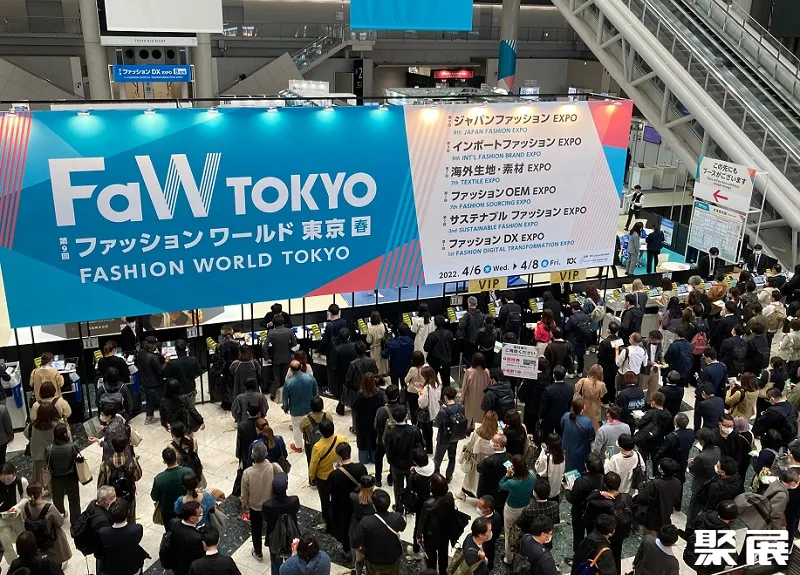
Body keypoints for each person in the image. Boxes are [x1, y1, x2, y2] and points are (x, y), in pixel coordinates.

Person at [583, 472, 632, 574]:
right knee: (616, 556)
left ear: (605, 485)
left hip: (606, 536)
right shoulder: (627, 497)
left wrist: (600, 493)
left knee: (602, 557)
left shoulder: (602, 503)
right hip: (620, 534)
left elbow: (588, 499)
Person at [352, 489, 407, 575]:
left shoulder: (366, 522)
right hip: (393, 558)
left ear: (373, 505)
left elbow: (355, 542)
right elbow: (402, 528)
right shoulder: (397, 518)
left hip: (373, 560)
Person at [329, 442, 368, 557]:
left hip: (342, 506)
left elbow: (331, 491)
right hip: (359, 503)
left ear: (339, 457)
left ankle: (346, 550)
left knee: (345, 527)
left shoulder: (335, 474)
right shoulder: (361, 468)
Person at [309, 418, 347, 532]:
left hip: (324, 478)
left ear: (320, 432)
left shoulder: (318, 447)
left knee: (325, 499)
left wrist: (312, 477)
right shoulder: (341, 439)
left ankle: (327, 520)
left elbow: (313, 465)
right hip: (338, 473)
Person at [565, 453, 606, 560]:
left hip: (580, 512)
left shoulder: (580, 482)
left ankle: (578, 557)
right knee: (592, 534)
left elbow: (571, 498)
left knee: (578, 535)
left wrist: (567, 489)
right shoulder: (603, 478)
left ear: (586, 466)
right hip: (595, 512)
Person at [20, 483, 72, 565]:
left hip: (36, 539)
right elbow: (59, 522)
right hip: (52, 539)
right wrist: (61, 516)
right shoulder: (49, 507)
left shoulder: (26, 507)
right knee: (56, 561)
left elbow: (24, 519)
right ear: (41, 492)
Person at [386, 403, 425, 507]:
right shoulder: (414, 430)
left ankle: (399, 507)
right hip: (412, 464)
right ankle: (409, 506)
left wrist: (391, 462)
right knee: (411, 487)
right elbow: (422, 445)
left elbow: (388, 451)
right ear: (406, 415)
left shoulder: (390, 433)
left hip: (396, 465)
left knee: (398, 488)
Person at [498, 454, 534, 565]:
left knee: (509, 532)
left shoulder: (511, 483)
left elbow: (501, 484)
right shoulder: (532, 476)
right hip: (526, 506)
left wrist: (507, 475)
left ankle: (508, 558)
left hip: (512, 509)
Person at [242, 442, 275, 561]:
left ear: (252, 456)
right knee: (272, 527)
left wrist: (244, 505)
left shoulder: (247, 473)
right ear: (266, 454)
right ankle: (274, 549)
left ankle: (258, 552)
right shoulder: (272, 467)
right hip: (270, 504)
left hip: (255, 506)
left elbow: (244, 493)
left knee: (256, 529)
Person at [418, 474, 457, 575]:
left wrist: (418, 536)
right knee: (443, 555)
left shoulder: (428, 503)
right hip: (445, 533)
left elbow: (422, 522)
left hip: (431, 536)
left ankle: (433, 572)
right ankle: (443, 572)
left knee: (431, 557)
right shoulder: (449, 496)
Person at [632, 458, 681, 536]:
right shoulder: (677, 482)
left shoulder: (655, 483)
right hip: (667, 512)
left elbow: (642, 498)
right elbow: (677, 499)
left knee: (649, 536)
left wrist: (641, 487)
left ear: (662, 470)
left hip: (653, 514)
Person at [98, 435, 142, 522]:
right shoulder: (132, 461)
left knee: (113, 519)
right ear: (125, 446)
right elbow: (138, 476)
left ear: (112, 446)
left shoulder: (105, 464)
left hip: (112, 498)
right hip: (129, 494)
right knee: (131, 517)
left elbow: (101, 484)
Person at [654, 413, 695, 505]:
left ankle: (668, 502)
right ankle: (678, 504)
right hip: (683, 461)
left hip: (672, 462)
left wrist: (656, 458)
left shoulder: (671, 436)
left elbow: (663, 451)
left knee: (668, 482)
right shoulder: (691, 433)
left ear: (675, 422)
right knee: (680, 482)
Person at [98, 498, 147, 575]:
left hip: (112, 570)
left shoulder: (104, 533)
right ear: (128, 512)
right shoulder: (136, 529)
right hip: (132, 569)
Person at [264, 473, 301, 575]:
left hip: (274, 538)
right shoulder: (294, 501)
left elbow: (266, 518)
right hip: (291, 534)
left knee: (276, 563)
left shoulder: (268, 505)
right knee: (292, 560)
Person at [45, 422, 80, 524]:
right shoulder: (72, 447)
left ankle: (60, 515)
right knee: (74, 499)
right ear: (65, 434)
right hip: (71, 476)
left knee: (57, 499)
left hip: (56, 478)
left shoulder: (49, 449)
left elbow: (47, 462)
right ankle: (75, 520)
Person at [457, 410, 497, 499]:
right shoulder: (496, 435)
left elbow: (470, 445)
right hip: (489, 462)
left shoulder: (477, 432)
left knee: (470, 478)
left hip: (476, 460)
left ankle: (463, 493)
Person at [687, 428, 722, 523]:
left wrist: (691, 463)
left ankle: (690, 526)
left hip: (700, 486)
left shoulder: (701, 457)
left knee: (693, 509)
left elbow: (692, 469)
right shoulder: (717, 449)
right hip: (712, 483)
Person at [283, 360, 319, 453]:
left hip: (296, 410)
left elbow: (285, 399)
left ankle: (298, 446)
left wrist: (285, 408)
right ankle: (313, 443)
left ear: (291, 370)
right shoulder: (310, 378)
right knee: (311, 427)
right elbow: (316, 393)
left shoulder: (288, 382)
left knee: (296, 428)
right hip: (310, 408)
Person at [151, 448, 191, 530]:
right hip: (187, 508)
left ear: (164, 461)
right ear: (176, 456)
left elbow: (154, 497)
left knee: (171, 533)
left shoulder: (159, 479)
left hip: (168, 512)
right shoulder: (188, 471)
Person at [352, 373, 386, 465]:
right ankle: (373, 458)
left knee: (363, 443)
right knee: (374, 442)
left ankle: (364, 460)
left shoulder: (359, 395)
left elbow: (355, 408)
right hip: (375, 424)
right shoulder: (379, 394)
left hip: (362, 425)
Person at [24, 401, 58, 489]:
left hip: (38, 457)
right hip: (54, 456)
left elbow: (26, 434)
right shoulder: (57, 425)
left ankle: (42, 491)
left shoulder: (32, 426)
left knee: (39, 480)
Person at [166, 502, 206, 575]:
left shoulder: (173, 522)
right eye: (200, 514)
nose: (202, 514)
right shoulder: (196, 538)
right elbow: (200, 558)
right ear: (191, 518)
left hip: (176, 562)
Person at [344, 340, 378, 422]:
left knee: (356, 411)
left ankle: (355, 427)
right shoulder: (372, 361)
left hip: (357, 390)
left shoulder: (353, 364)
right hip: (370, 388)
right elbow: (376, 372)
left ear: (355, 351)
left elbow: (348, 379)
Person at [136, 336, 166, 424]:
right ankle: (165, 418)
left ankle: (149, 418)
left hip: (145, 382)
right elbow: (161, 371)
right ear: (151, 345)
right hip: (156, 383)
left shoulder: (140, 354)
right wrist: (167, 361)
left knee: (149, 401)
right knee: (162, 401)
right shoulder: (153, 357)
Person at [266, 315, 298, 398]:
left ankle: (277, 396)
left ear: (273, 323)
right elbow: (295, 344)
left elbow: (264, 347)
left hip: (276, 358)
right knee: (286, 377)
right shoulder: (289, 331)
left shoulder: (271, 333)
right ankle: (287, 395)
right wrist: (288, 346)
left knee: (276, 377)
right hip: (287, 357)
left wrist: (266, 358)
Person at [320, 304, 347, 395]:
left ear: (330, 313)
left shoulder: (330, 325)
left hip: (332, 351)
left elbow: (325, 340)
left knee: (331, 371)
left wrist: (319, 350)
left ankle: (331, 389)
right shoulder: (344, 322)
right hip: (342, 348)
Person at [562, 398, 595, 473]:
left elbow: (562, 425)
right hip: (580, 451)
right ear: (582, 409)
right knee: (579, 470)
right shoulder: (587, 421)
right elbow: (592, 436)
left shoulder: (566, 416)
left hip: (566, 447)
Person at [539, 365, 574, 438]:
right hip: (563, 417)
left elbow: (543, 406)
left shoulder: (548, 390)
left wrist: (541, 417)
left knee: (547, 437)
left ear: (553, 375)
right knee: (561, 436)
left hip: (549, 418)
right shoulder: (570, 388)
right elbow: (570, 403)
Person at [163, 339, 201, 404]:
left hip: (177, 392)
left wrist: (166, 362)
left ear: (175, 349)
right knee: (191, 407)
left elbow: (165, 374)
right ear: (186, 348)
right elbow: (199, 372)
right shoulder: (193, 360)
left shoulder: (172, 364)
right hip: (190, 388)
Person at [476, 434, 510, 501]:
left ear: (497, 446)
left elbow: (479, 468)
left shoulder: (489, 461)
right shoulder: (508, 457)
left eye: (493, 440)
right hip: (498, 490)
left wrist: (484, 460)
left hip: (486, 488)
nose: (491, 441)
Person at [461, 352, 491, 428]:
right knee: (479, 415)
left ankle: (468, 428)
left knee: (469, 414)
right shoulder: (486, 371)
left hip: (470, 397)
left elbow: (464, 387)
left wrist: (462, 398)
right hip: (482, 397)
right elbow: (489, 385)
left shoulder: (469, 371)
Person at [417, 366, 442, 456]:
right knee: (429, 431)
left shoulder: (427, 387)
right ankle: (430, 449)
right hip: (435, 410)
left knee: (426, 432)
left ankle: (427, 449)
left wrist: (420, 393)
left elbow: (423, 403)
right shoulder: (437, 383)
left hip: (427, 412)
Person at [300, 397, 332, 465]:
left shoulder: (305, 419)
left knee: (311, 462)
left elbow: (302, 430)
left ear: (311, 407)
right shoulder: (327, 415)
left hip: (311, 445)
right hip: (326, 442)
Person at [382, 322, 414, 390]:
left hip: (395, 369)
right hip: (406, 367)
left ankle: (396, 395)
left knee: (394, 386)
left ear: (398, 332)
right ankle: (404, 395)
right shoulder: (411, 341)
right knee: (404, 384)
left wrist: (381, 350)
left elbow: (385, 355)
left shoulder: (394, 343)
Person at [424, 315, 454, 386]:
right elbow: (452, 345)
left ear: (435, 323)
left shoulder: (431, 335)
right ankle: (446, 391)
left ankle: (433, 392)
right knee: (446, 381)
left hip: (434, 361)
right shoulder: (449, 333)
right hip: (446, 359)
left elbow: (426, 348)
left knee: (432, 380)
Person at [575, 365, 606, 430]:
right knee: (594, 423)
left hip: (583, 403)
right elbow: (602, 395)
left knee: (581, 421)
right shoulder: (601, 385)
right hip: (595, 405)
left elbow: (577, 388)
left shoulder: (583, 381)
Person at [476, 495, 503, 571]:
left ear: (487, 510)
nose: (477, 508)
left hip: (487, 544)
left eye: (480, 507)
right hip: (491, 542)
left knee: (488, 554)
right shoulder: (497, 515)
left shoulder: (486, 524)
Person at [640, 331, 664, 402]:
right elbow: (641, 358)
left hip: (655, 370)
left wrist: (662, 361)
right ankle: (641, 403)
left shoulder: (659, 343)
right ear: (650, 338)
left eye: (658, 341)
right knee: (642, 388)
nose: (657, 342)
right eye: (656, 341)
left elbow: (660, 354)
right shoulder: (642, 343)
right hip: (644, 371)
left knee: (653, 389)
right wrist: (651, 363)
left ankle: (649, 404)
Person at [366, 311, 390, 377]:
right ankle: (383, 376)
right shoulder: (383, 325)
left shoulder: (370, 329)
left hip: (375, 348)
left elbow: (368, 341)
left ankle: (377, 378)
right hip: (383, 347)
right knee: (383, 363)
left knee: (376, 363)